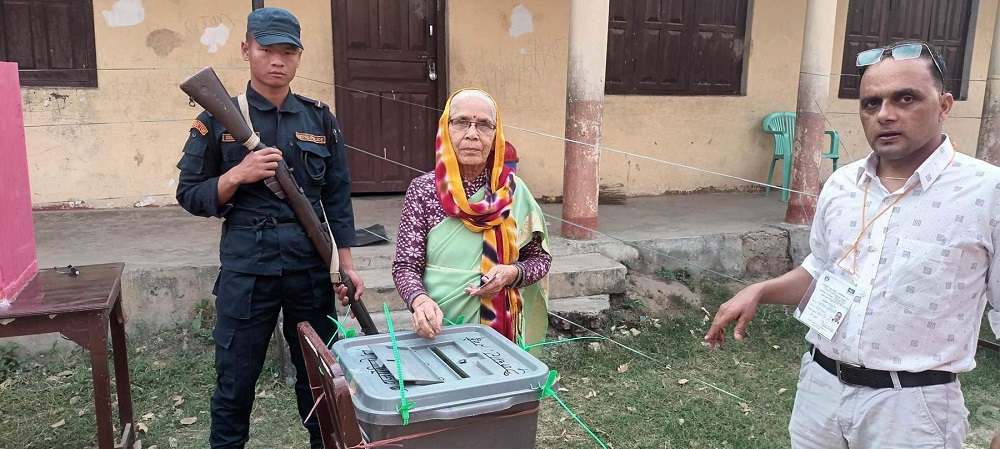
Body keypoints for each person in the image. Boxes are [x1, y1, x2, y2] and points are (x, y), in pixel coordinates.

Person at [705, 40, 1000, 448]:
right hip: (820, 391)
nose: (885, 115)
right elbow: (822, 268)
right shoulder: (843, 184)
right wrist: (762, 290)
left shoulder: (986, 193)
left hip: (912, 410)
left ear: (944, 105)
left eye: (906, 98)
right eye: (871, 103)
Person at [175, 7, 363, 449]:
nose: (277, 60)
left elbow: (337, 197)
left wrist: (346, 266)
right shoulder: (217, 117)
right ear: (246, 50)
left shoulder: (320, 119)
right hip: (246, 272)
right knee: (234, 385)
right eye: (266, 50)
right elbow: (189, 194)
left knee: (320, 383)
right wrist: (237, 175)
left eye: (288, 52)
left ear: (299, 58)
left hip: (310, 270)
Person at [392, 88, 551, 348]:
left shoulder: (513, 192)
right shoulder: (423, 190)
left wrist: (512, 273)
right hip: (438, 326)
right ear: (446, 129)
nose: (472, 134)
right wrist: (420, 302)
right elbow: (405, 266)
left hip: (501, 328)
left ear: (496, 135)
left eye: (484, 125)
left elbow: (540, 260)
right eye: (462, 122)